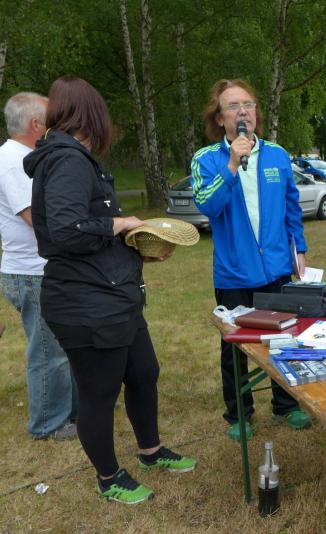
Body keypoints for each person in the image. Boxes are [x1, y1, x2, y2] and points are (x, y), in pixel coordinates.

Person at [23, 76, 196, 504]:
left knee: (143, 372)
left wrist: (134, 245)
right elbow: (66, 230)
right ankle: (109, 477)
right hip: (85, 302)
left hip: (113, 295)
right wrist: (121, 223)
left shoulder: (73, 157)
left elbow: (87, 228)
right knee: (99, 393)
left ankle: (151, 452)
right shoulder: (67, 159)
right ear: (91, 114)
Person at [191, 79, 311, 435]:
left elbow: (292, 207)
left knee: (283, 338)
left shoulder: (277, 154)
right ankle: (239, 413)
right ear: (220, 118)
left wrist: (299, 249)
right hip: (234, 273)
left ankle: (286, 404)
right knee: (235, 348)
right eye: (233, 106)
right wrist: (231, 165)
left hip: (277, 267)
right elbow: (207, 205)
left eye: (248, 104)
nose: (243, 111)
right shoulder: (206, 159)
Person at [1, 92, 78, 440]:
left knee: (62, 344)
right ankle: (49, 423)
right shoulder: (13, 161)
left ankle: (71, 411)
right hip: (30, 272)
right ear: (36, 124)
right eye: (52, 118)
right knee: (48, 350)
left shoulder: (24, 156)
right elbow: (36, 217)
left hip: (39, 268)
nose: (57, 125)